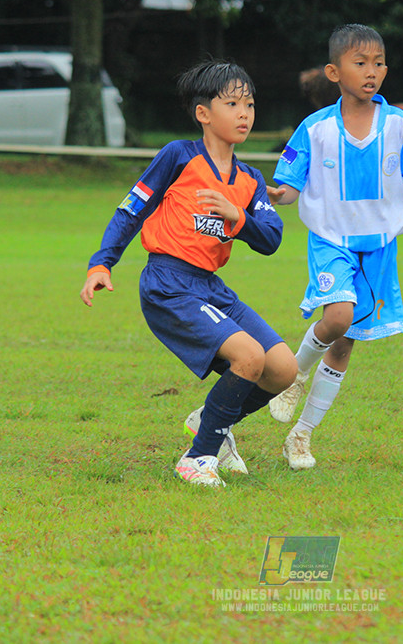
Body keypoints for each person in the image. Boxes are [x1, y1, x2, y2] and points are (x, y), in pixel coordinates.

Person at [80, 60, 296, 488]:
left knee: (283, 369)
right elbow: (132, 209)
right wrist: (102, 262)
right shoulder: (178, 157)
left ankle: (210, 420)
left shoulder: (250, 179)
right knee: (249, 357)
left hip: (211, 287)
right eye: (232, 103)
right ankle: (199, 458)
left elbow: (271, 237)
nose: (244, 114)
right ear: (203, 113)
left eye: (249, 104)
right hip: (169, 284)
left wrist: (238, 218)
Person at [268, 24, 403, 469]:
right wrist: (276, 196)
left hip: (379, 247)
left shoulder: (399, 125)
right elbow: (289, 187)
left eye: (379, 63)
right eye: (360, 63)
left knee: (345, 343)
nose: (372, 71)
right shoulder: (315, 129)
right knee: (338, 316)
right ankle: (294, 373)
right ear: (334, 71)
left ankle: (301, 435)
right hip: (330, 239)